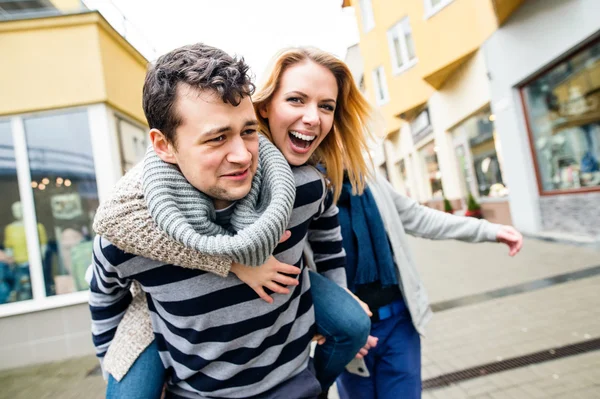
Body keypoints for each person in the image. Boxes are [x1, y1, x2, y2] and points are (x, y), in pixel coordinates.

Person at [89, 43, 375, 399]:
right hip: (194, 390)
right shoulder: (127, 234)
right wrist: (111, 363)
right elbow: (104, 299)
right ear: (163, 146)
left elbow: (325, 224)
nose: (242, 156)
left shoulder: (301, 187)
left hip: (294, 383)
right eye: (217, 138)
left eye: (248, 132)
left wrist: (338, 293)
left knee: (353, 323)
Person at [334, 173, 523, 399]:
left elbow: (419, 217)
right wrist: (340, 326)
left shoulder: (369, 177)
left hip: (399, 324)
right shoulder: (307, 188)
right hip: (349, 335)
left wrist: (488, 230)